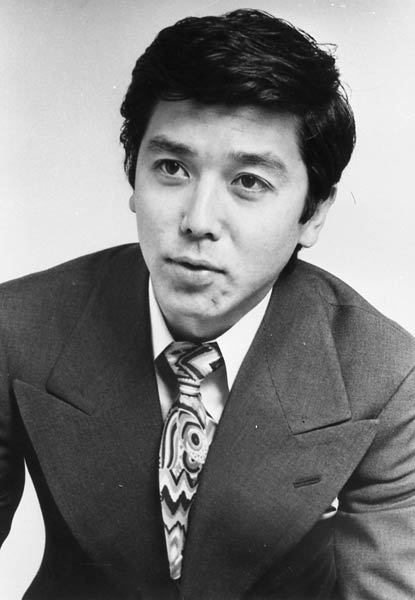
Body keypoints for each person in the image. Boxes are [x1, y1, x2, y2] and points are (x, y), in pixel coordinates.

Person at [1, 8, 414, 600]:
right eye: (172, 168)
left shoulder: (385, 376)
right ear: (133, 176)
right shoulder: (17, 327)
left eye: (249, 182)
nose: (197, 221)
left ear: (314, 213)